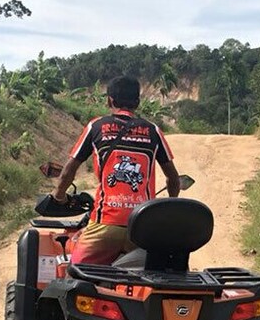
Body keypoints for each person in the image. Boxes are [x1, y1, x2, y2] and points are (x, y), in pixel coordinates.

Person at [52, 75, 180, 264]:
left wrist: (59, 195)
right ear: (137, 102)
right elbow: (173, 178)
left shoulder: (96, 126)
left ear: (110, 100)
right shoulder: (153, 131)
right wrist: (170, 204)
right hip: (141, 227)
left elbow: (69, 170)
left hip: (105, 224)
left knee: (75, 271)